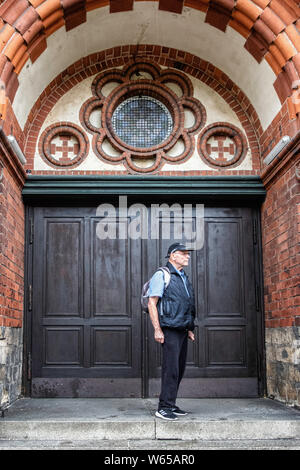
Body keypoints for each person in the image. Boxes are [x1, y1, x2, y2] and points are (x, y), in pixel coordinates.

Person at [148, 243, 196, 421]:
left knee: (179, 368)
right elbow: (151, 303)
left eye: (187, 254)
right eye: (183, 254)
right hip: (169, 329)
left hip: (182, 329)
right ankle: (163, 407)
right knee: (171, 369)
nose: (187, 256)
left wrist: (190, 328)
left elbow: (186, 304)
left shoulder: (183, 276)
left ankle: (171, 403)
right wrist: (157, 329)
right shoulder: (162, 275)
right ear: (172, 256)